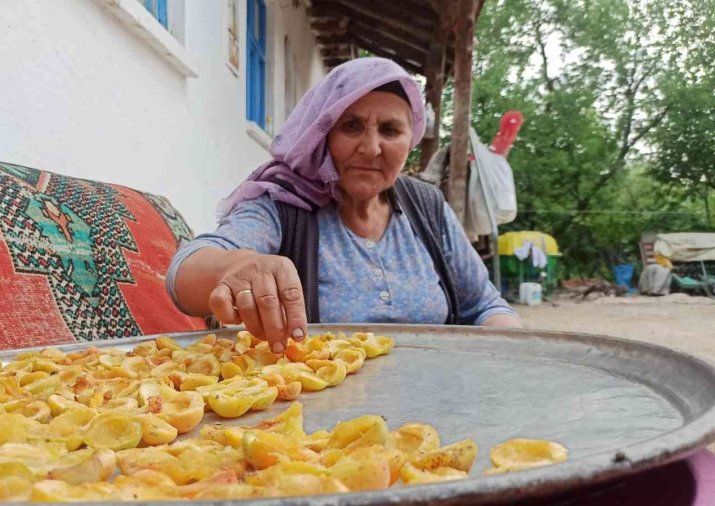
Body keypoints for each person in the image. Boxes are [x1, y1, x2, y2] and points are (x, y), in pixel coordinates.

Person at [166, 57, 521, 354]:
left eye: (390, 130)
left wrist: (513, 353)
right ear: (324, 136)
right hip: (314, 423)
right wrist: (236, 265)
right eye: (351, 126)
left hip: (433, 407)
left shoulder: (427, 208)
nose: (371, 147)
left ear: (408, 141)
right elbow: (183, 273)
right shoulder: (284, 203)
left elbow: (485, 307)